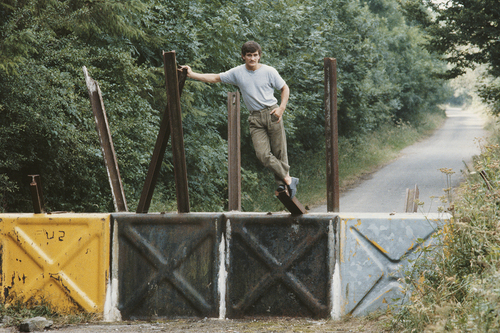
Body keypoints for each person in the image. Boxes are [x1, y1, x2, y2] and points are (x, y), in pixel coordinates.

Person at [181, 41, 299, 198]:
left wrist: (282, 108)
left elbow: (285, 88)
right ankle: (288, 179)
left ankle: (283, 186)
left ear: (259, 56)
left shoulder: (269, 71)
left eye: (255, 55)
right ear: (243, 57)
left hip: (273, 113)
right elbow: (216, 78)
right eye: (249, 55)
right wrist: (191, 74)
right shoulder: (237, 73)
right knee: (262, 154)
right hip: (255, 118)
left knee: (279, 152)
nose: (252, 59)